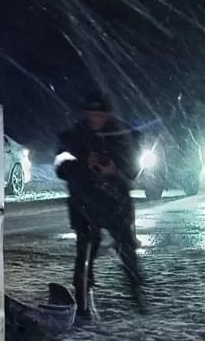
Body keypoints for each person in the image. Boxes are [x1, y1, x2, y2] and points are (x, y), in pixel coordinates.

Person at [55, 92, 147, 316]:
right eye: (92, 113)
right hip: (84, 203)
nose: (96, 118)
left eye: (100, 113)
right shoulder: (73, 137)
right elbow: (60, 167)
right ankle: (83, 300)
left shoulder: (123, 135)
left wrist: (115, 168)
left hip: (115, 202)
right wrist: (84, 164)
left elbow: (134, 169)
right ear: (86, 113)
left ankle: (137, 295)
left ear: (108, 114)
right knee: (85, 252)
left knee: (127, 249)